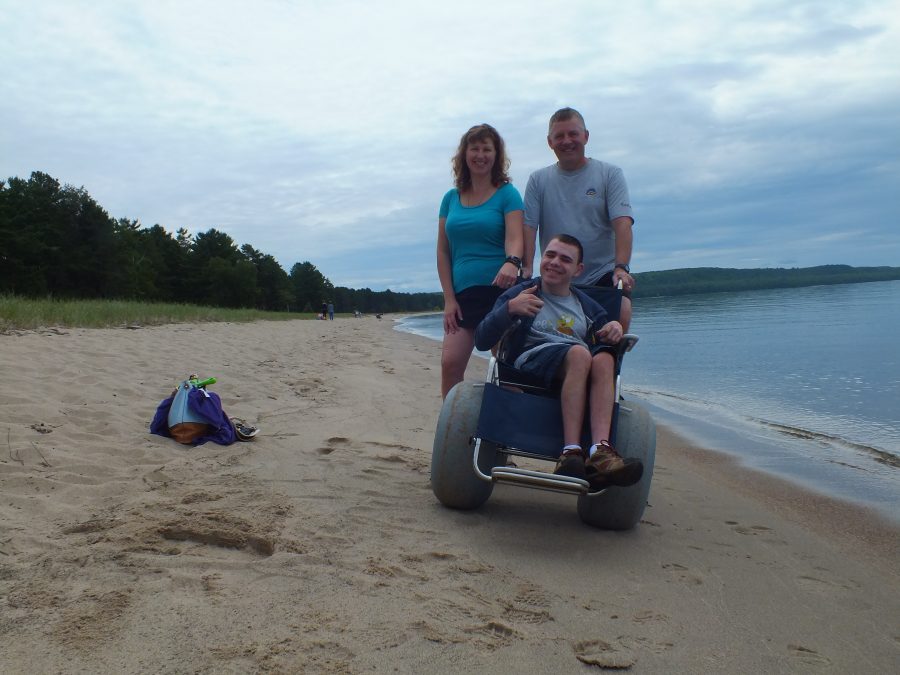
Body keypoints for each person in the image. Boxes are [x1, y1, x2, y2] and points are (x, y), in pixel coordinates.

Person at [475, 234, 643, 489]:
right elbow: (481, 339)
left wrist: (614, 328)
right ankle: (571, 452)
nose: (554, 262)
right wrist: (509, 309)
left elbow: (603, 337)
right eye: (550, 255)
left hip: (575, 368)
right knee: (579, 353)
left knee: (606, 358)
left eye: (565, 259)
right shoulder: (520, 294)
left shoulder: (586, 306)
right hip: (529, 364)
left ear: (578, 270)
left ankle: (601, 452)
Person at [523, 107, 636, 331]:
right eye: (559, 136)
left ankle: (612, 357)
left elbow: (622, 224)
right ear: (550, 142)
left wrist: (621, 267)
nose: (567, 141)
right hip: (557, 276)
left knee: (622, 309)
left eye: (573, 134)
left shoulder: (609, 174)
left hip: (600, 275)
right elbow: (528, 227)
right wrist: (525, 266)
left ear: (586, 136)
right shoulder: (538, 180)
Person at [436, 123, 524, 398]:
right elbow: (443, 251)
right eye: (474, 148)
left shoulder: (507, 193)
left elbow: (515, 236)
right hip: (463, 298)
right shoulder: (450, 199)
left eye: (487, 149)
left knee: (507, 369)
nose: (480, 155)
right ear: (464, 155)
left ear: (497, 155)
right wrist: (449, 299)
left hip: (500, 294)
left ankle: (512, 428)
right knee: (450, 364)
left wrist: (512, 261)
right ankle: (452, 430)